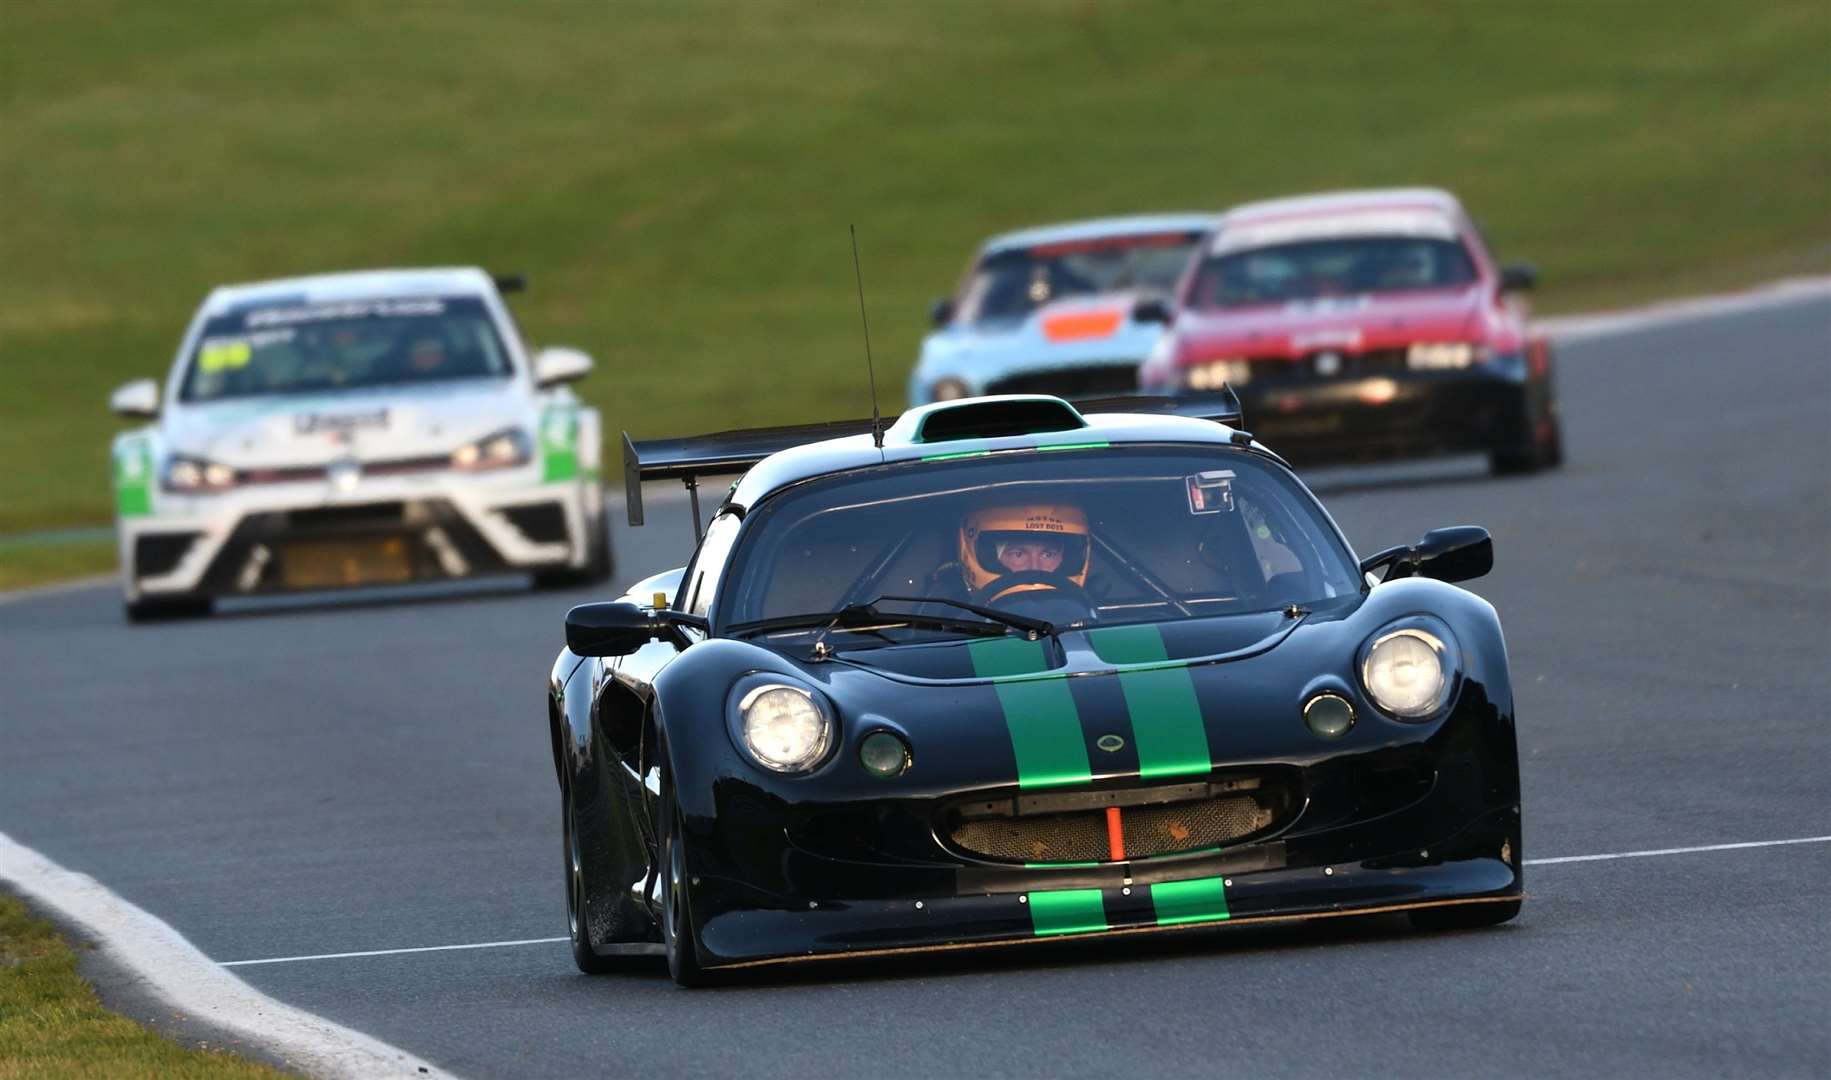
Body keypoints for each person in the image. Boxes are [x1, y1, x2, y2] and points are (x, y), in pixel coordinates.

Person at [954, 502, 1097, 623]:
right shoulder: (942, 619)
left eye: (1048, 554)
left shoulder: (1096, 621)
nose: (1035, 568)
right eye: (1018, 554)